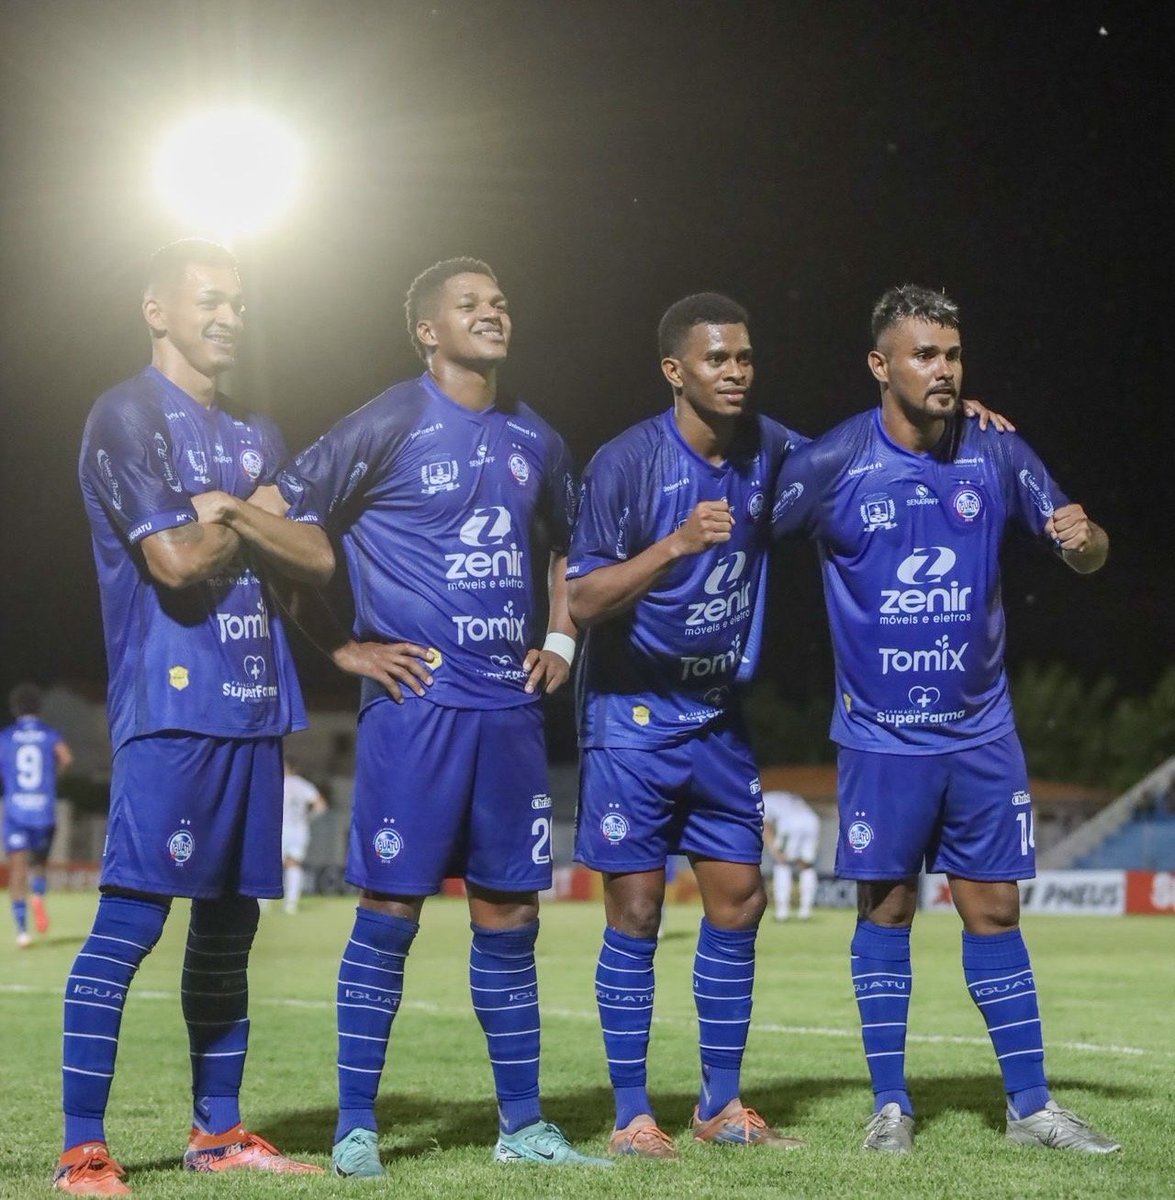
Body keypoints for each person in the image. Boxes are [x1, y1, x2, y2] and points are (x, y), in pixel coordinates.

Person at [270, 258, 606, 1175]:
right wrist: (343, 649)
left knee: (509, 913)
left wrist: (561, 639)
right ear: (427, 330)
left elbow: (571, 547)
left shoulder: (536, 437)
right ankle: (355, 1129)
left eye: (499, 301)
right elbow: (282, 532)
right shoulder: (385, 421)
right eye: (469, 305)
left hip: (509, 712)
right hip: (414, 709)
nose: (492, 313)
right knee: (390, 907)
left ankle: (523, 1128)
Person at [770, 284, 1118, 1155]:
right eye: (924, 354)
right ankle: (889, 1106)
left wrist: (1084, 543)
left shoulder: (996, 450)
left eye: (952, 354)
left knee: (993, 911)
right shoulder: (831, 462)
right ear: (878, 365)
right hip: (881, 737)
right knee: (885, 911)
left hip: (980, 733)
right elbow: (744, 529)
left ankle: (1030, 1108)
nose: (944, 370)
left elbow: (1085, 548)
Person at [65, 238, 331, 1193]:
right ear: (157, 310)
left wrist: (233, 512)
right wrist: (250, 521)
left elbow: (314, 559)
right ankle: (81, 1151)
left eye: (238, 302)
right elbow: (173, 563)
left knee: (228, 930)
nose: (228, 316)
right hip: (171, 707)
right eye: (209, 299)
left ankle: (217, 1134)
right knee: (131, 925)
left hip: (256, 708)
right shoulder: (125, 415)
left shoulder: (259, 432)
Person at [567, 293, 807, 1158]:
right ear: (675, 370)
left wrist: (953, 422)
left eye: (744, 357)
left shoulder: (771, 448)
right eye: (716, 359)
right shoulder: (625, 463)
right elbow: (579, 599)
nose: (735, 372)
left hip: (716, 718)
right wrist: (673, 545)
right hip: (628, 720)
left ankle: (719, 1106)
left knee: (740, 898)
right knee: (635, 909)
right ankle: (633, 1115)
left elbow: (859, 463)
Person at [1, 683, 73, 947]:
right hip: (43, 811)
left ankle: (22, 932)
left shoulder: (7, 736)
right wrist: (51, 779)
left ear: (15, 708)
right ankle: (38, 896)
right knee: (39, 865)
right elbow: (66, 758)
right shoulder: (49, 734)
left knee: (18, 871)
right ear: (38, 707)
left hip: (16, 811)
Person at [762, 790, 819, 921]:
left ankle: (782, 912)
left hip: (790, 823)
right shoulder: (783, 795)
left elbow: (765, 825)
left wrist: (774, 850)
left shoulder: (762, 800)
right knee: (806, 865)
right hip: (811, 820)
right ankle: (805, 912)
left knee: (782, 863)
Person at [279, 758, 327, 914]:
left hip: (279, 828)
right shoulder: (303, 785)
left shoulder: (278, 782)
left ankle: (263, 902)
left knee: (272, 865)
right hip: (299, 829)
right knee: (294, 864)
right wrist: (307, 818)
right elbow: (321, 805)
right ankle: (291, 904)